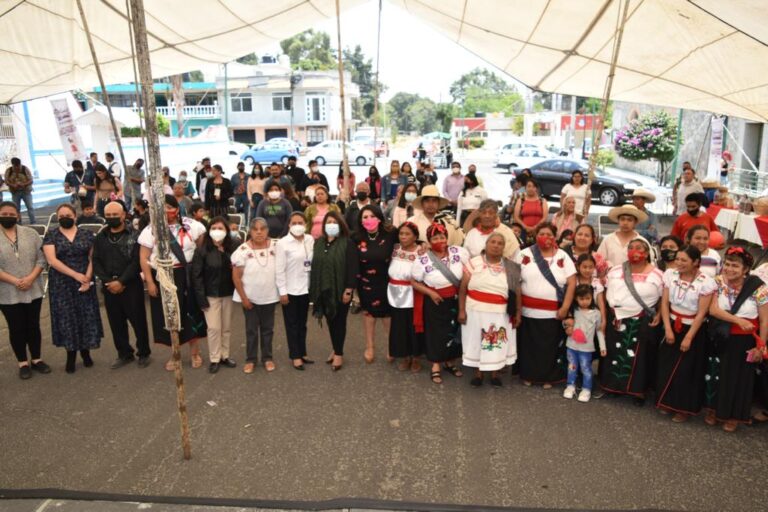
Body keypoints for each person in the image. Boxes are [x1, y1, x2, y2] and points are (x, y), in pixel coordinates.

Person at [138, 195, 207, 371]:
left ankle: (195, 352)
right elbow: (144, 257)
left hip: (187, 274)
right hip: (164, 275)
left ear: (176, 207)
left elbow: (201, 247)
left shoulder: (192, 225)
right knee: (170, 316)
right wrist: (150, 283)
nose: (166, 211)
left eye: (169, 206)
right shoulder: (151, 229)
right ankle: (175, 353)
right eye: (161, 207)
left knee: (190, 313)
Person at [708, 247, 768, 432]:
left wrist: (761, 346)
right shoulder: (717, 283)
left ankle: (734, 415)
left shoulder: (758, 288)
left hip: (744, 340)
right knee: (716, 374)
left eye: (735, 265)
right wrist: (737, 320)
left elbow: (765, 320)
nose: (729, 268)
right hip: (720, 335)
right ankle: (714, 410)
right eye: (727, 264)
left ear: (745, 269)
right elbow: (714, 310)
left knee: (740, 379)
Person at [656, 245, 716, 422]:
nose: (679, 263)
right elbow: (665, 304)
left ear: (696, 262)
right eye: (677, 259)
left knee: (686, 371)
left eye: (684, 260)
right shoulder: (670, 275)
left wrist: (689, 336)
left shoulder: (705, 282)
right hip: (672, 323)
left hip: (693, 329)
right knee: (666, 365)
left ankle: (683, 409)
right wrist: (667, 328)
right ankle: (666, 401)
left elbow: (702, 313)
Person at [600, 238, 663, 402]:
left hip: (640, 320)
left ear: (647, 252)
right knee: (614, 352)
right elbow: (604, 288)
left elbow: (664, 298)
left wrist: (660, 314)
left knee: (639, 357)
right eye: (631, 247)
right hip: (616, 318)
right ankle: (613, 387)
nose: (635, 250)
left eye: (639, 248)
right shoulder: (615, 270)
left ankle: (637, 390)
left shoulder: (657, 274)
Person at [42, 203, 103, 373]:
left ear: (75, 216)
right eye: (61, 216)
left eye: (68, 215)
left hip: (85, 280)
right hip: (62, 284)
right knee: (67, 319)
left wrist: (87, 278)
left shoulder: (87, 234)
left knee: (86, 316)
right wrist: (76, 275)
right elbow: (52, 261)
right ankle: (70, 355)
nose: (64, 218)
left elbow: (93, 258)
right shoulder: (51, 235)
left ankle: (86, 352)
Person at [515, 223, 576, 387]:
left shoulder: (563, 256)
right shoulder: (523, 254)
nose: (546, 237)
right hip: (528, 311)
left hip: (553, 312)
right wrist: (518, 310)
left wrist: (565, 308)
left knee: (549, 347)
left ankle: (548, 378)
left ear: (555, 237)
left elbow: (571, 283)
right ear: (535, 235)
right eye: (542, 233)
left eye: (549, 234)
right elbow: (516, 283)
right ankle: (528, 375)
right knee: (529, 346)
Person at [92, 201, 150, 369]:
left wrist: (121, 281)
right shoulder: (101, 237)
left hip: (130, 285)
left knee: (138, 321)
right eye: (108, 215)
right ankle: (124, 353)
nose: (111, 218)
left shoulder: (135, 235)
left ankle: (143, 353)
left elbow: (136, 262)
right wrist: (108, 281)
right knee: (116, 322)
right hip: (109, 286)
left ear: (124, 215)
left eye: (114, 215)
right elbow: (95, 260)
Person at [458, 233, 519, 387]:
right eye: (493, 242)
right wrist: (461, 311)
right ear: (486, 244)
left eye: (500, 243)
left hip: (500, 313)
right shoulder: (474, 263)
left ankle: (494, 374)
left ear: (504, 247)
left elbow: (517, 293)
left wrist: (518, 313)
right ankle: (478, 374)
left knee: (495, 343)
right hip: (475, 311)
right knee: (478, 342)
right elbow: (462, 290)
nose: (496, 245)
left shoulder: (511, 267)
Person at [411, 222, 468, 384]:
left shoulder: (459, 252)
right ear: (429, 241)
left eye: (442, 237)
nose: (439, 240)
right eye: (435, 238)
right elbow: (414, 281)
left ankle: (450, 362)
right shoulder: (423, 259)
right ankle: (435, 365)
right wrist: (431, 293)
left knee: (454, 331)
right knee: (436, 333)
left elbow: (469, 270)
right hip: (435, 300)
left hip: (457, 299)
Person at [0, 201, 49, 379]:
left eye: (11, 214)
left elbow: (41, 259)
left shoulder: (30, 233)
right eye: (3, 214)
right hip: (7, 292)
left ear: (18, 215)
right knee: (16, 328)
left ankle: (37, 359)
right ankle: (22, 362)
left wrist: (30, 278)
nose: (7, 217)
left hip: (33, 288)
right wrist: (15, 281)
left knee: (33, 326)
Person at [231, 217, 280, 373]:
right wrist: (244, 298)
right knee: (251, 330)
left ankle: (267, 358)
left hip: (269, 297)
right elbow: (236, 277)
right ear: (250, 231)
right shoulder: (242, 251)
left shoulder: (276, 246)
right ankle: (251, 359)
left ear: (267, 231)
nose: (259, 232)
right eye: (255, 229)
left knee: (268, 329)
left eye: (262, 229)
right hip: (250, 298)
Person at [349, 205, 397, 364]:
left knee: (387, 314)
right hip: (365, 282)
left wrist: (422, 244)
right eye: (364, 217)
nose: (368, 219)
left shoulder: (390, 233)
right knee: (368, 314)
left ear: (379, 217)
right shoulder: (356, 237)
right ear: (360, 220)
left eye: (372, 216)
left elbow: (409, 238)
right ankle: (370, 346)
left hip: (386, 281)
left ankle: (392, 346)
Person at [309, 211, 356, 371]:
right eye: (328, 222)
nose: (331, 225)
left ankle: (339, 354)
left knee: (339, 322)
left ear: (340, 224)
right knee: (330, 321)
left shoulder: (347, 243)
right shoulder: (319, 243)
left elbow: (352, 268)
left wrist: (349, 290)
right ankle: (336, 348)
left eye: (334, 222)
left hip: (341, 290)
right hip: (323, 289)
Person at [276, 212, 315, 370]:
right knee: (291, 324)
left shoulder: (310, 240)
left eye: (301, 222)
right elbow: (279, 270)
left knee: (302, 324)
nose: (298, 225)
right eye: (294, 223)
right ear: (289, 225)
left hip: (305, 288)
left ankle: (302, 351)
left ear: (305, 224)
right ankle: (295, 355)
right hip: (290, 290)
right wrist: (282, 291)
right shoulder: (283, 243)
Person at [387, 221, 424, 372]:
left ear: (415, 236)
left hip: (412, 293)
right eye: (401, 233)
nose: (403, 236)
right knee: (399, 327)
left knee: (413, 327)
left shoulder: (421, 252)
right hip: (394, 293)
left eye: (407, 234)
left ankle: (416, 357)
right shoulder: (395, 249)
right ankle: (404, 356)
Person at [562, 284, 606, 402]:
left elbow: (599, 331)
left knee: (586, 368)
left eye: (588, 298)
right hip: (571, 346)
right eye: (581, 299)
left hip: (587, 349)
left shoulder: (596, 313)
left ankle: (587, 389)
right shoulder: (573, 310)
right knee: (572, 367)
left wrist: (602, 346)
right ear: (576, 298)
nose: (585, 302)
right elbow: (565, 323)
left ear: (592, 297)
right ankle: (570, 385)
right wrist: (567, 326)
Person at [513, 179, 548, 245]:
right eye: (529, 186)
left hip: (538, 231)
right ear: (525, 188)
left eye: (533, 186)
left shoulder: (542, 201)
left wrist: (535, 227)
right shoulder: (521, 200)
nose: (531, 188)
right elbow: (516, 217)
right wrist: (526, 227)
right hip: (523, 230)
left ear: (536, 188)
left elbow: (545, 217)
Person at [5, 158, 35, 224]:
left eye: (18, 166)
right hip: (15, 192)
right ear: (12, 165)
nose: (17, 168)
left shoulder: (25, 169)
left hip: (26, 191)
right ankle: (18, 222)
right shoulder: (9, 171)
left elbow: (31, 180)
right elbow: (6, 181)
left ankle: (33, 222)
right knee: (16, 208)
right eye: (15, 166)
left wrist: (24, 184)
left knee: (30, 207)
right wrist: (13, 185)